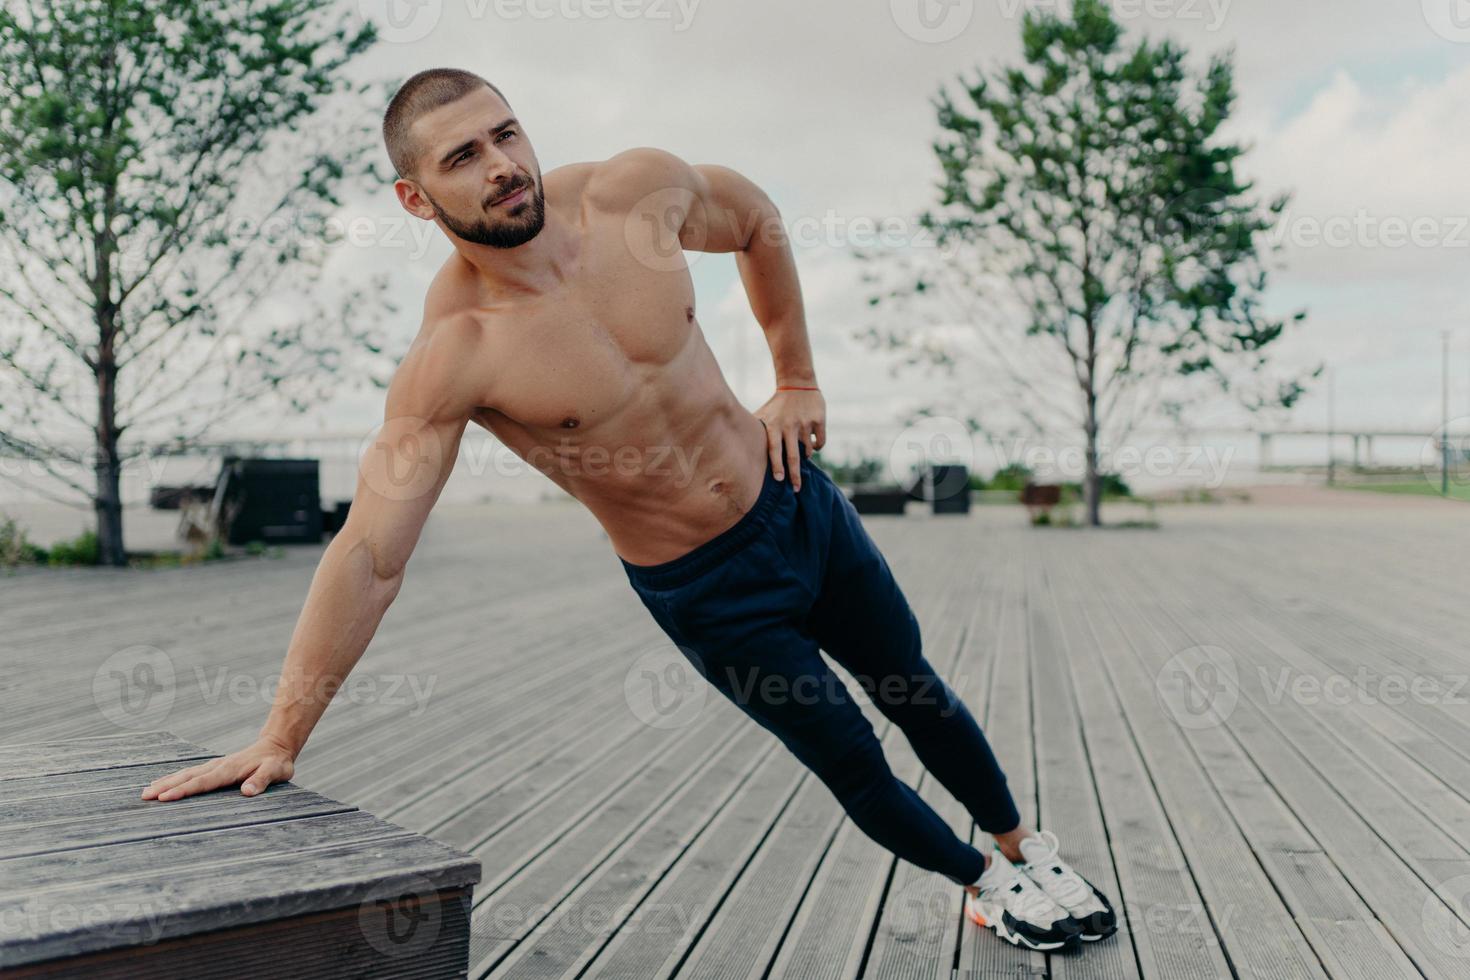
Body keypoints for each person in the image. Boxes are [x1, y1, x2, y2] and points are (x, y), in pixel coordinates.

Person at [140, 68, 1115, 951]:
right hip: (707, 588)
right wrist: (282, 733)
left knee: (915, 688)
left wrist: (799, 379)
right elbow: (370, 553)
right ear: (415, 195)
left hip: (797, 503)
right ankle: (986, 883)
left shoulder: (632, 194)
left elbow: (758, 219)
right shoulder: (459, 353)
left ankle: (1028, 844)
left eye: (507, 135)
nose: (503, 166)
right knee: (854, 759)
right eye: (465, 157)